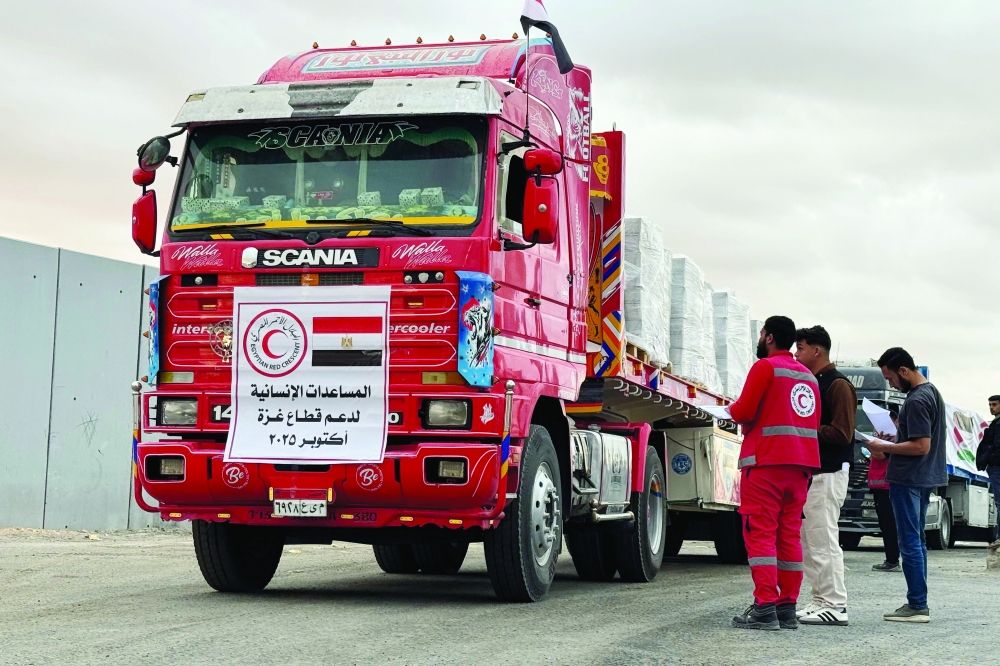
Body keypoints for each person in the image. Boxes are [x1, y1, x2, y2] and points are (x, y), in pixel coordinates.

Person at [728, 316, 821, 631]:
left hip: (766, 464)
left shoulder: (765, 368)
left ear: (769, 337)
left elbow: (743, 411)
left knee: (761, 533)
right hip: (800, 469)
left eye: (761, 334)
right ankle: (786, 607)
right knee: (788, 535)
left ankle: (765, 606)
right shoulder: (809, 377)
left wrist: (730, 409)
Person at [865, 348, 947, 624]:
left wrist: (884, 446)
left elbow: (921, 446)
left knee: (909, 541)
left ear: (903, 370)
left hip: (908, 477)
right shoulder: (932, 392)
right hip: (923, 477)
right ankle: (917, 601)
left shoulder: (916, 400)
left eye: (890, 378)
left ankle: (917, 604)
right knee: (917, 540)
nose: (891, 384)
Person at [792, 325, 856, 626]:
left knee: (824, 538)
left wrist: (803, 430)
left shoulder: (837, 384)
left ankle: (835, 604)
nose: (796, 353)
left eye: (801, 347)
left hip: (830, 472)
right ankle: (820, 600)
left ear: (816, 351)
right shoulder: (815, 381)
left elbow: (843, 433)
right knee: (811, 539)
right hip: (816, 472)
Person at [869, 409, 901, 572]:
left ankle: (892, 560)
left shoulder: (893, 438)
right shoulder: (884, 438)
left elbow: (879, 456)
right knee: (886, 525)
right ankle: (892, 559)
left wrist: (872, 442)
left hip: (887, 487)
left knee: (890, 525)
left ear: (895, 422)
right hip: (879, 487)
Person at [975, 395, 1000, 544]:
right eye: (990, 405)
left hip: (997, 466)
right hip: (995, 465)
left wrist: (991, 461)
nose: (991, 407)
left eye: (994, 404)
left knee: (999, 503)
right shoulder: (995, 423)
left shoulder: (998, 424)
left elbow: (997, 445)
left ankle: (999, 538)